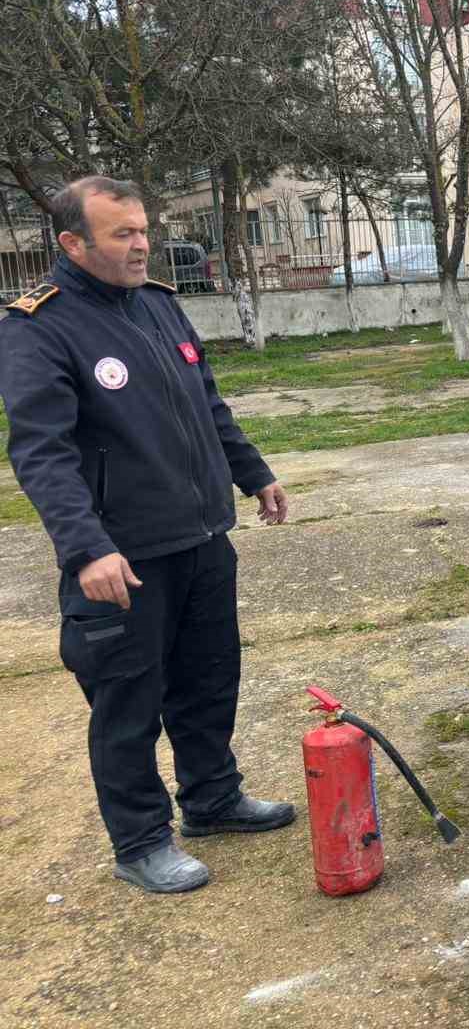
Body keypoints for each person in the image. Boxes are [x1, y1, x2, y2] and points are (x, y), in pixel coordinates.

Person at [0, 177, 295, 894]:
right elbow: (42, 448)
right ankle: (139, 841)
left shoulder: (159, 307)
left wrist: (253, 474)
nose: (140, 245)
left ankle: (213, 800)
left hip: (199, 538)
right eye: (121, 234)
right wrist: (86, 547)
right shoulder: (38, 324)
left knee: (207, 682)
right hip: (121, 559)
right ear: (73, 243)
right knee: (127, 705)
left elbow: (208, 404)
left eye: (141, 230)